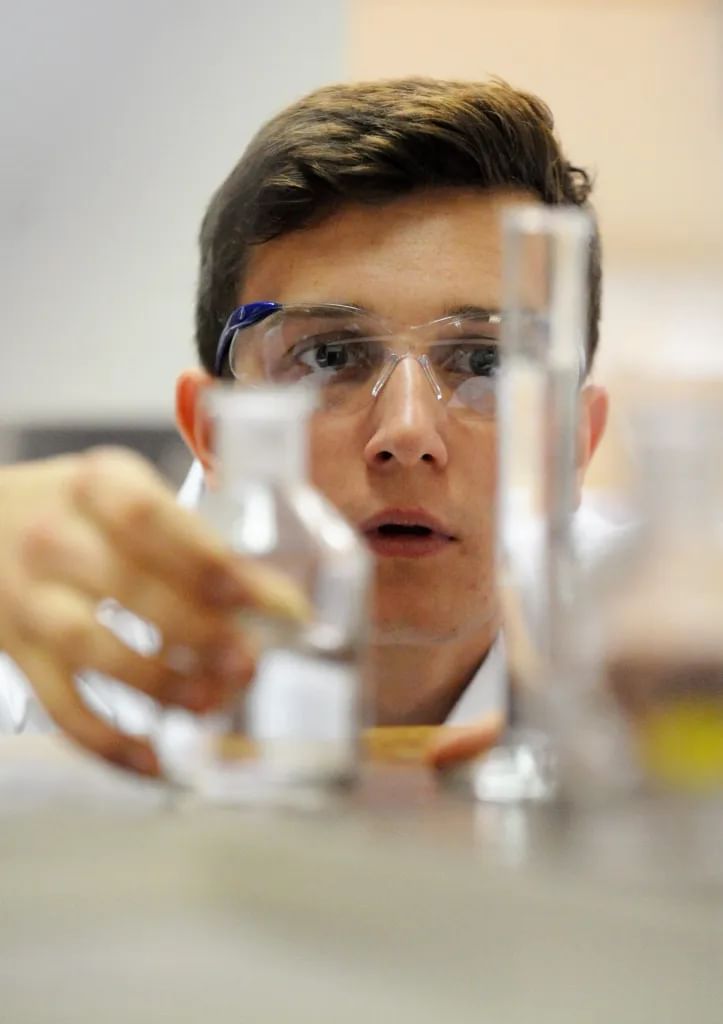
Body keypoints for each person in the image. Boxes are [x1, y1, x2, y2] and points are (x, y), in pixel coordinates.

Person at [0, 77, 609, 776]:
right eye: (328, 355)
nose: (406, 433)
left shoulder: (664, 660)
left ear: (574, 443)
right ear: (212, 431)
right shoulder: (42, 656)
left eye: (485, 361)